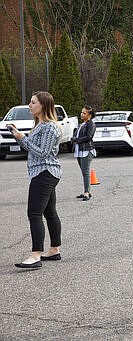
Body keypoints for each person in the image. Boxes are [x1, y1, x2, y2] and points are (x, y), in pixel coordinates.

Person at [8, 91, 63, 269]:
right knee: (50, 213)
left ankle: (35, 256)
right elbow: (32, 149)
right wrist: (19, 136)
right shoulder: (40, 124)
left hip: (45, 173)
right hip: (43, 172)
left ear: (43, 106)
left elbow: (42, 153)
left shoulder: (49, 127)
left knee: (34, 213)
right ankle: (54, 250)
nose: (30, 105)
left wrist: (22, 138)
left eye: (33, 103)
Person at [71, 105, 96, 201]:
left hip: (87, 150)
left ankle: (87, 192)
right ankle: (87, 191)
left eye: (84, 113)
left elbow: (89, 136)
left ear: (89, 115)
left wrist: (76, 140)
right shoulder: (82, 124)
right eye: (81, 112)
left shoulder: (91, 124)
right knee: (83, 172)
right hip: (79, 150)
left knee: (86, 172)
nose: (81, 114)